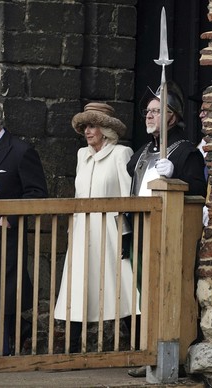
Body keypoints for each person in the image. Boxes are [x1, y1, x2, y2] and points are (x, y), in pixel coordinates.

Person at [126, 81, 207, 377]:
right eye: (147, 111)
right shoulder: (144, 152)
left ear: (172, 116)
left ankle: (164, 355)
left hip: (169, 235)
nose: (149, 116)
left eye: (157, 111)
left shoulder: (185, 153)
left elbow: (199, 191)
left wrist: (177, 179)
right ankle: (148, 351)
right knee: (144, 294)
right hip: (141, 231)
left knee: (164, 294)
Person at [53, 102, 140, 353]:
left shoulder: (121, 154)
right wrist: (73, 230)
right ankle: (70, 347)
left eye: (92, 126)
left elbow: (127, 197)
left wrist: (126, 234)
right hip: (82, 232)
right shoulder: (82, 156)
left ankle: (136, 344)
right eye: (84, 127)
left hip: (111, 232)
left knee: (121, 286)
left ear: (105, 129)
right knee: (77, 286)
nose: (87, 131)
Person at [0, 98, 48, 356]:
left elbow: (37, 193)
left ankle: (1, 352)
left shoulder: (20, 151)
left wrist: (9, 217)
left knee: (3, 297)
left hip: (6, 238)